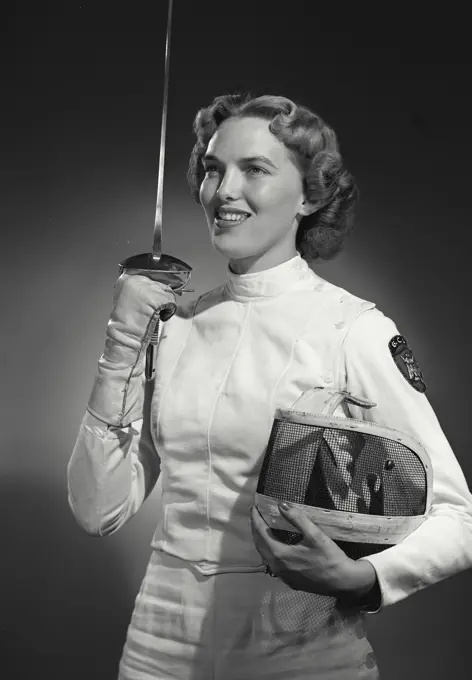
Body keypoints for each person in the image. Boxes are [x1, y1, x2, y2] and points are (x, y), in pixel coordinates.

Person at [67, 94, 472, 680]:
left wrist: (366, 580)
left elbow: (459, 517)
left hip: (299, 649)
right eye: (212, 169)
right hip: (158, 649)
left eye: (254, 169)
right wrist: (121, 338)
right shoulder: (176, 328)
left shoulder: (352, 329)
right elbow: (96, 510)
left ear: (309, 195)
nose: (223, 191)